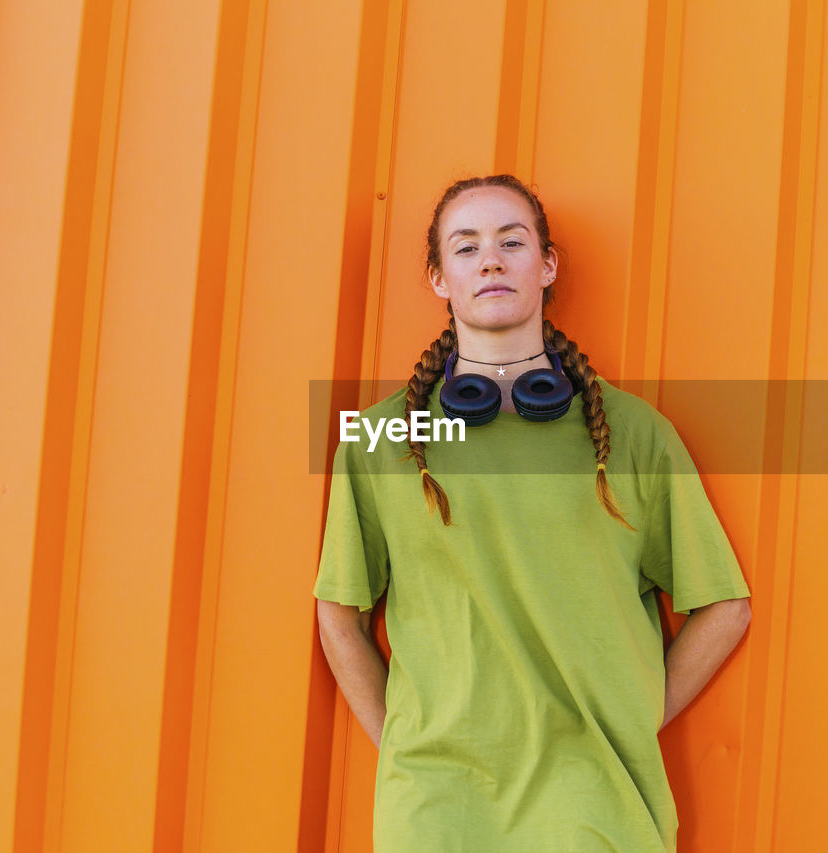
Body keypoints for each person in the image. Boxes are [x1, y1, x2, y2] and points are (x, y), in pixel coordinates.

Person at [313, 174, 751, 852]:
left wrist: (626, 718)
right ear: (438, 278)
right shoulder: (380, 438)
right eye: (466, 246)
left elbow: (724, 604)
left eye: (511, 241)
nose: (490, 258)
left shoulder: (635, 433)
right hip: (436, 804)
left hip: (594, 801)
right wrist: (404, 739)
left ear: (546, 266)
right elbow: (339, 610)